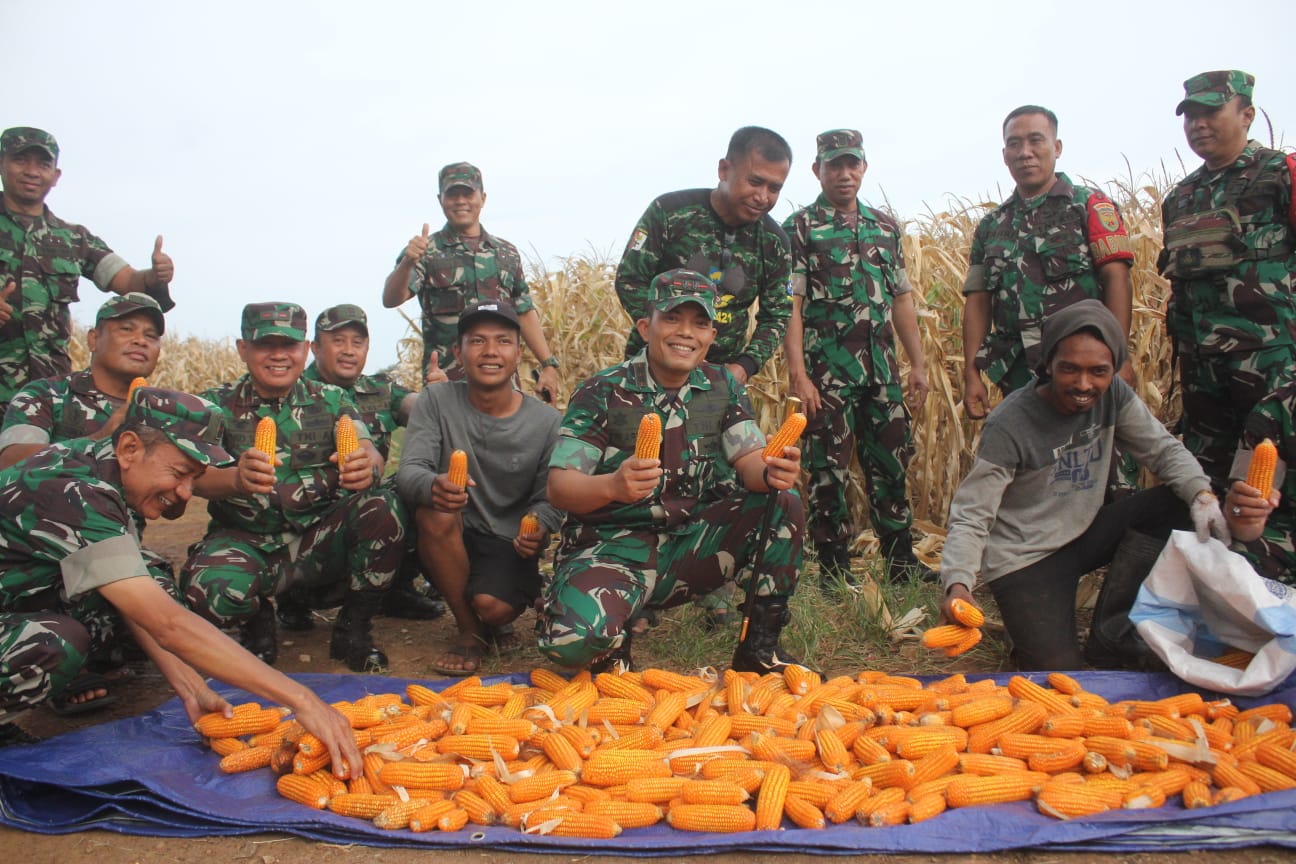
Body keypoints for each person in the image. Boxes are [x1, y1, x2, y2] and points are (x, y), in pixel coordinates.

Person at [0, 387, 364, 780]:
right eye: (178, 473)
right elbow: (167, 624)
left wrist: (191, 688)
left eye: (194, 477)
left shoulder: (104, 470)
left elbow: (132, 594)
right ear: (129, 449)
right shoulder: (74, 490)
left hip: (23, 594)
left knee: (148, 573)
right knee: (53, 643)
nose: (186, 493)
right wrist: (304, 701)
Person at [538, 269, 806, 673]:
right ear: (646, 327)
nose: (686, 333)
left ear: (711, 337)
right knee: (572, 645)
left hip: (687, 546)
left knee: (783, 501)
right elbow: (560, 487)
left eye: (700, 323)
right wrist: (612, 485)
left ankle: (759, 647)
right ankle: (608, 627)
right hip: (610, 548)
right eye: (673, 319)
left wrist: (772, 471)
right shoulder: (603, 391)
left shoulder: (722, 386)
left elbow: (749, 459)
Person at [939, 300, 1229, 671]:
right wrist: (957, 584)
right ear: (1047, 366)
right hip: (1026, 557)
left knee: (1178, 501)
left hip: (1085, 531)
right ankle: (1028, 627)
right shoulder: (1010, 424)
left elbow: (1162, 450)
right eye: (1069, 369)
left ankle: (1112, 634)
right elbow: (972, 514)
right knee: (1061, 675)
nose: (1083, 384)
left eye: (1098, 371)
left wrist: (1202, 495)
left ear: (1113, 370)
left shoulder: (1114, 397)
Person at [180, 303, 404, 672]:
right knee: (209, 593)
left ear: (305, 350)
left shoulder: (332, 399)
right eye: (266, 345)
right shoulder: (214, 406)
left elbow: (366, 448)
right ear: (243, 349)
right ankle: (256, 620)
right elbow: (192, 477)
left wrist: (367, 466)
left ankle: (355, 628)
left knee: (383, 506)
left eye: (290, 345)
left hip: (319, 541)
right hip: (247, 540)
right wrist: (235, 478)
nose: (280, 355)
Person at [783, 129, 932, 584]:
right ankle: (832, 567)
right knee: (827, 468)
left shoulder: (884, 227)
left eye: (852, 164)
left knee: (891, 463)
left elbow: (902, 298)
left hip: (882, 372)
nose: (844, 174)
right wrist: (798, 375)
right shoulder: (801, 228)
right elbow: (791, 305)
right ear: (817, 171)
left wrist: (919, 363)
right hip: (827, 374)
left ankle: (901, 561)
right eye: (834, 166)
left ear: (863, 167)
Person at [395, 299, 563, 676]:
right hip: (448, 531)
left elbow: (550, 496)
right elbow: (409, 471)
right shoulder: (436, 401)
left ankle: (489, 615)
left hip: (504, 538)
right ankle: (470, 633)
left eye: (503, 341)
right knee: (436, 511)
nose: (490, 352)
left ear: (519, 353)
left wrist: (538, 524)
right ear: (458, 351)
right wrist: (434, 485)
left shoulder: (547, 422)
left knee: (494, 606)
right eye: (477, 341)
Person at [1160, 70, 1296, 487]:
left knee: (1273, 475)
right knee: (1208, 475)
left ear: (1247, 114)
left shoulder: (1280, 174)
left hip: (1270, 360)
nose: (1198, 124)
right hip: (1202, 366)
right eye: (1190, 116)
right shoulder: (1180, 197)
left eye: (1211, 112)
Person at [272, 304, 447, 626]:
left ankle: (394, 590)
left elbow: (419, 411)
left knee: (419, 487)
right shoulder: (287, 389)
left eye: (358, 342)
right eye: (338, 341)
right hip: (307, 525)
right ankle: (293, 596)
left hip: (370, 512)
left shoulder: (379, 390)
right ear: (315, 347)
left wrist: (439, 397)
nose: (349, 351)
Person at [961, 106, 1134, 420]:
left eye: (1035, 141)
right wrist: (971, 373)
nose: (1025, 153)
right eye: (1014, 144)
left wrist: (1119, 359)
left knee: (1096, 461)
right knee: (1029, 462)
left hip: (1083, 370)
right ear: (1004, 155)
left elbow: (1116, 279)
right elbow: (978, 301)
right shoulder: (991, 225)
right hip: (1017, 373)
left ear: (1057, 148)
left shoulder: (1089, 206)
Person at [0, 127, 176, 413]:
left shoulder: (74, 238)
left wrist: (155, 276)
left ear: (55, 176)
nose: (32, 171)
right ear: (2, 163)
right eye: (21, 160)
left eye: (43, 164)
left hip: (47, 396)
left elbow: (129, 282)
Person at [615, 126, 793, 384]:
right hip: (651, 369)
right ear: (724, 170)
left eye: (774, 188)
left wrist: (745, 365)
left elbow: (778, 314)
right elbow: (630, 280)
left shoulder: (774, 241)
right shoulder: (669, 213)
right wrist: (673, 340)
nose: (762, 197)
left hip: (720, 380)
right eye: (754, 182)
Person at [382, 162, 561, 401]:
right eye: (452, 194)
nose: (460, 201)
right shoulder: (425, 251)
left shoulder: (506, 253)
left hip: (502, 383)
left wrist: (548, 364)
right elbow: (391, 299)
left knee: (508, 437)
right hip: (446, 383)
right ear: (440, 199)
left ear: (483, 198)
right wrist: (407, 262)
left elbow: (524, 310)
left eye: (468, 193)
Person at [0, 293, 165, 470]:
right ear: (93, 339)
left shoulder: (164, 412)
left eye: (151, 336)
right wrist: (97, 440)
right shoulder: (45, 395)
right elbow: (11, 462)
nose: (141, 341)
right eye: (126, 329)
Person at [1221, 378, 1293, 584]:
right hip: (1289, 537)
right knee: (1238, 557)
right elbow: (1241, 520)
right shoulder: (1273, 412)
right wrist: (1242, 516)